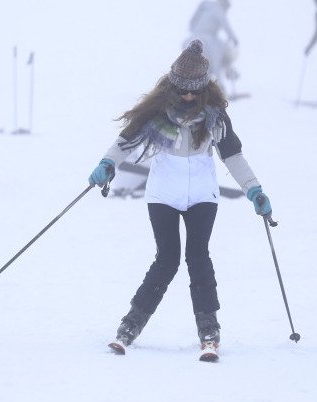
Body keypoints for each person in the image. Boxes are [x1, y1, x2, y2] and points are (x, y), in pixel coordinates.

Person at [88, 39, 272, 362]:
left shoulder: (214, 118)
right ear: (174, 87)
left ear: (203, 90)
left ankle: (209, 331)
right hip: (163, 195)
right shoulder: (158, 113)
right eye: (183, 91)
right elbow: (125, 142)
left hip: (203, 195)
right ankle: (130, 325)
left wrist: (254, 190)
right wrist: (107, 165)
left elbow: (234, 157)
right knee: (168, 258)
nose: (188, 97)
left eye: (194, 93)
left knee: (198, 257)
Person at [186, 0, 240, 96]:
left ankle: (203, 89)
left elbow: (192, 24)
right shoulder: (218, 9)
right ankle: (223, 84)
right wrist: (233, 38)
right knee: (217, 61)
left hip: (193, 39)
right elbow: (226, 25)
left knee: (203, 67)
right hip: (207, 40)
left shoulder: (207, 9)